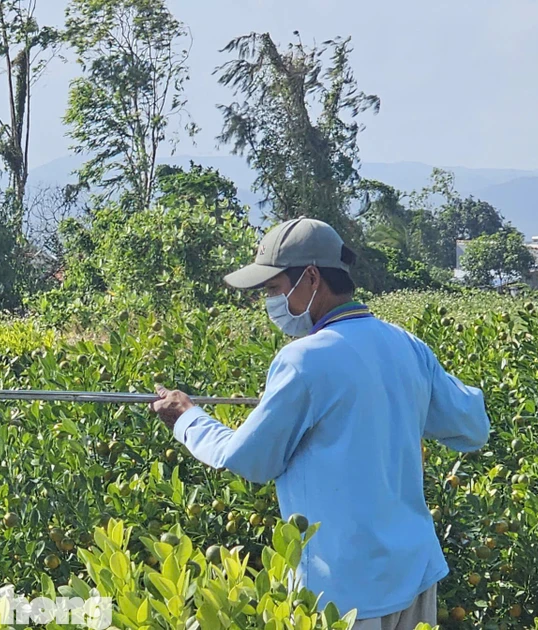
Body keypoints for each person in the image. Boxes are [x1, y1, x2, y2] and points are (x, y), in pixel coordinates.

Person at [149, 216, 490, 629]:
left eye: (274, 289)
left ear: (310, 277)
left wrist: (188, 419)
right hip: (414, 575)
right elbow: (472, 426)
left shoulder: (304, 359)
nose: (271, 303)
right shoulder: (406, 345)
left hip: (345, 594)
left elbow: (250, 460)